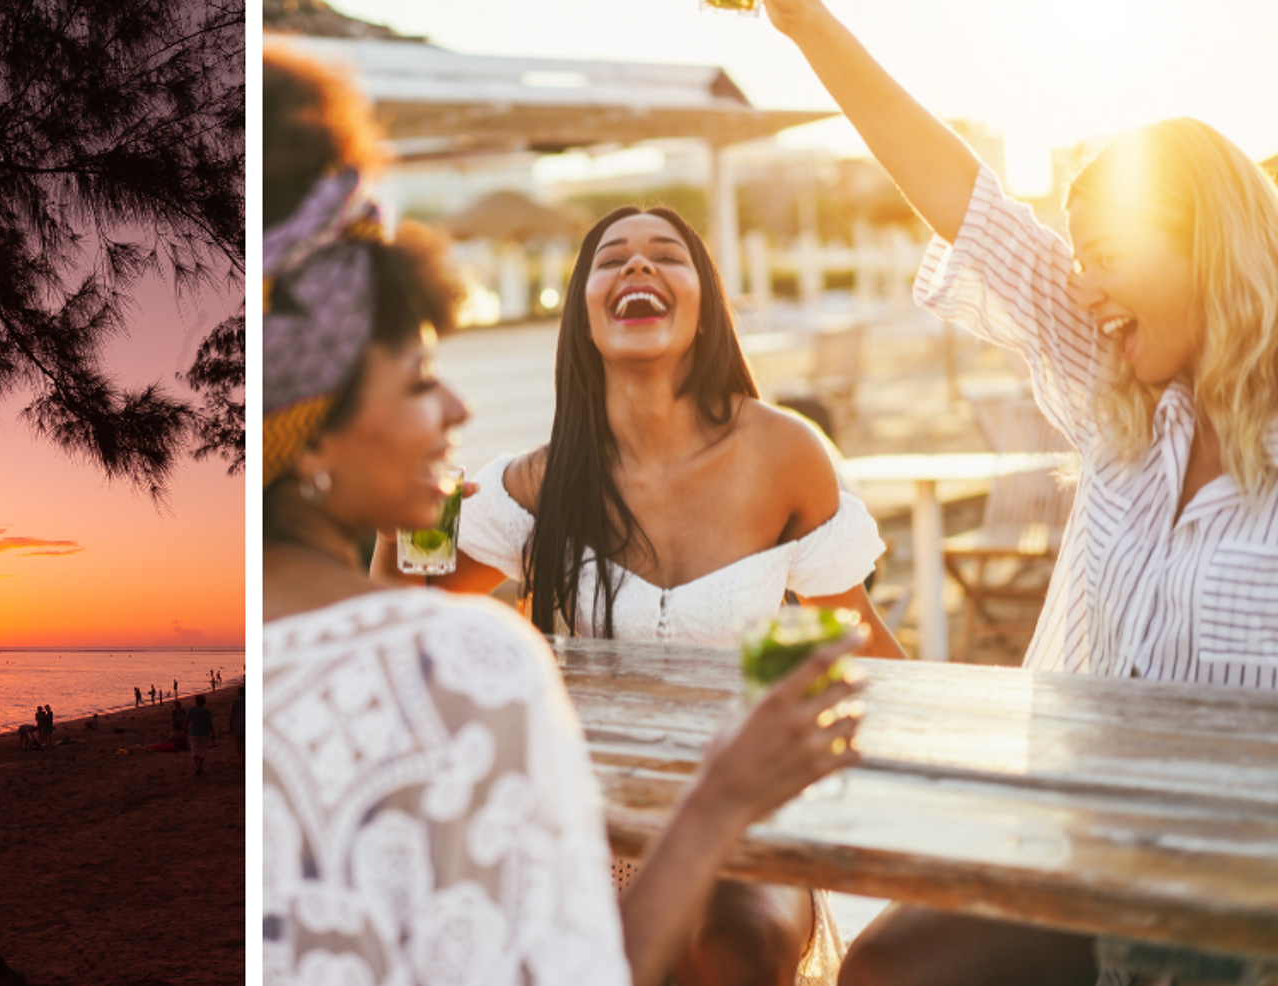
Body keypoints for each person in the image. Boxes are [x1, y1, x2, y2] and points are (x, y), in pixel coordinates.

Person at [262, 45, 867, 986]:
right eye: (612, 259)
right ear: (583, 316)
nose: (640, 266)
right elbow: (396, 617)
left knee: (737, 949)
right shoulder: (528, 490)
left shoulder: (787, 450)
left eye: (668, 254)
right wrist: (398, 541)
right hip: (595, 816)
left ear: (706, 308)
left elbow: (852, 638)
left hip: (746, 812)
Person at [756, 2, 1278, 983]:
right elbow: (968, 203)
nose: (1083, 290)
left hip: (1239, 895)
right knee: (881, 968)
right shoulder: (1116, 392)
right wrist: (802, 23)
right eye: (1078, 266)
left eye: (1109, 260)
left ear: (1205, 246)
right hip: (1077, 842)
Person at [185, 694, 213, 776]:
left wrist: (183, 731)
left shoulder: (191, 710)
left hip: (194, 733)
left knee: (195, 751)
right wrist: (213, 733)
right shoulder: (206, 711)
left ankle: (196, 767)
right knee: (202, 751)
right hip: (204, 733)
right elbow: (209, 723)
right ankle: (199, 767)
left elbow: (186, 721)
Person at [228, 685, 245, 761]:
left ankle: (240, 759)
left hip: (237, 726)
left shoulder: (235, 702)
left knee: (239, 745)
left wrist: (230, 725)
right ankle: (242, 759)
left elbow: (231, 714)